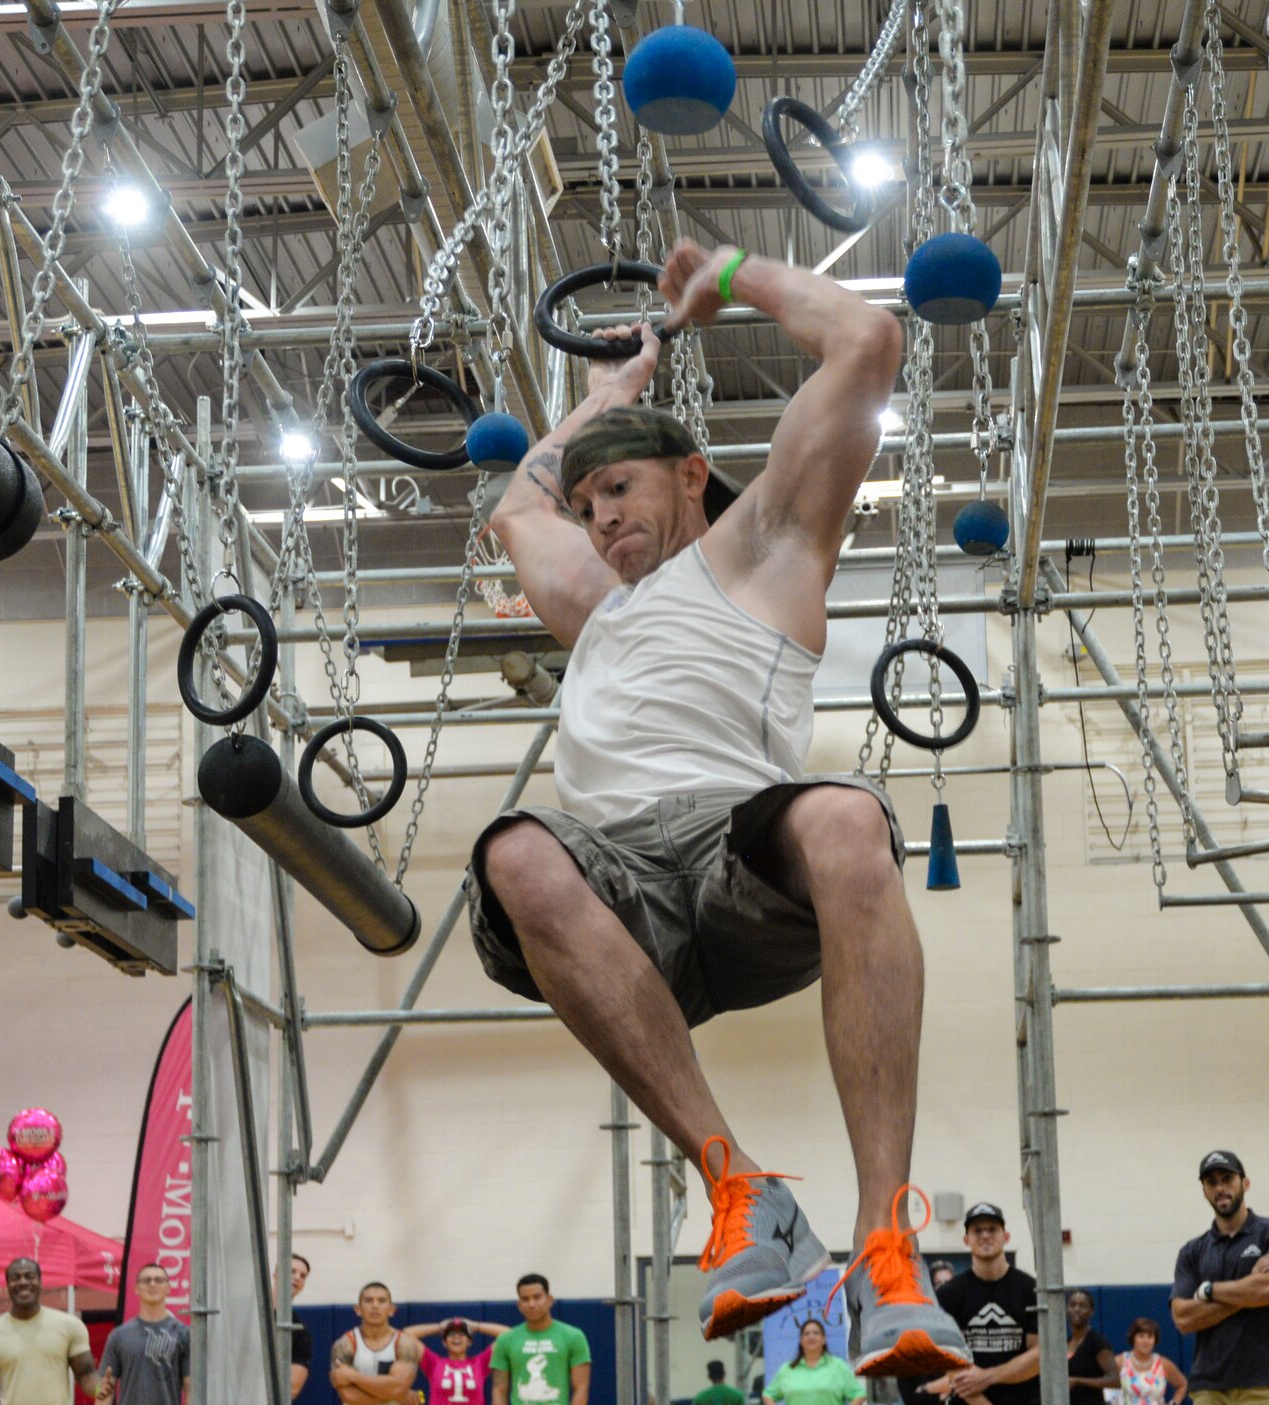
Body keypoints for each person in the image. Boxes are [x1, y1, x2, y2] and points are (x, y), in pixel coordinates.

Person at [473, 238, 967, 1374]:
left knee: (845, 816)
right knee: (514, 851)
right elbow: (514, 507)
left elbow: (865, 341)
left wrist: (729, 281)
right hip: (622, 903)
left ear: (691, 475)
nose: (597, 517)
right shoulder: (593, 605)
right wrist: (604, 396)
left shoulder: (763, 551)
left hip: (737, 868)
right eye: (589, 500)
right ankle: (736, 1186)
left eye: (621, 487)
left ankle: (886, 1236)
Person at [1171, 1151, 1269, 1405]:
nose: (1220, 1188)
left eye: (1227, 1178)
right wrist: (1249, 1289)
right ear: (1204, 1191)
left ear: (1245, 1183)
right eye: (1211, 1182)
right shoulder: (1192, 1251)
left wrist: (1207, 1291)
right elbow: (1183, 1318)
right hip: (1210, 1387)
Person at [913, 1202, 1039, 1405]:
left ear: (1006, 1237)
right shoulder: (949, 1294)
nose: (985, 1235)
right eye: (977, 1230)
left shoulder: (1030, 1289)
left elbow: (1039, 1356)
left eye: (992, 1229)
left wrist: (989, 1376)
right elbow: (952, 1362)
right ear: (966, 1240)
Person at [0, 1257, 110, 1405]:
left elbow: (86, 1375)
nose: (23, 1282)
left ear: (40, 1283)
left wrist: (100, 1387)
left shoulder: (70, 1326)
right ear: (7, 1286)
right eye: (15, 1278)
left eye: (30, 1276)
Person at [490, 1275, 591, 1405]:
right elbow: (499, 1390)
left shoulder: (574, 1336)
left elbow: (581, 1389)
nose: (531, 1304)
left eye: (537, 1297)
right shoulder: (505, 1340)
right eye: (525, 1299)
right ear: (519, 1305)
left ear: (549, 1300)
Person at [98, 1264, 190, 1405]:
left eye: (159, 1280)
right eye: (146, 1280)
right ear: (136, 1289)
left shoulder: (183, 1334)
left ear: (168, 1289)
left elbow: (191, 1389)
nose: (152, 1284)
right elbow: (104, 1391)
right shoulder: (118, 1336)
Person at [330, 1283, 422, 1405]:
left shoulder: (405, 1344)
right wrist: (394, 1395)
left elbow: (398, 1387)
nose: (375, 1306)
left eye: (382, 1301)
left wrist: (353, 1376)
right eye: (368, 1300)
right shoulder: (344, 1344)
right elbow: (348, 1395)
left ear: (391, 1310)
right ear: (358, 1309)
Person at [401, 1317, 509, 1405]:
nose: (456, 1338)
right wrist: (440, 1327)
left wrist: (476, 1326)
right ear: (444, 1342)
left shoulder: (480, 1363)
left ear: (469, 1341)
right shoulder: (434, 1363)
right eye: (451, 1334)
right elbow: (405, 1335)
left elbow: (509, 1335)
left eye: (462, 1334)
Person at [764, 1320, 865, 1405]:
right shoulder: (788, 1369)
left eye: (816, 1333)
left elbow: (859, 1394)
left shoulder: (838, 1366)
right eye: (806, 1334)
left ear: (824, 1339)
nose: (811, 1337)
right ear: (801, 1340)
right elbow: (768, 1395)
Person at [1066, 1290, 1117, 1405]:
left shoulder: (1097, 1342)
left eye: (1082, 1306)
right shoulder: (1065, 1343)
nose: (1077, 1309)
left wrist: (1078, 1381)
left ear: (1091, 1312)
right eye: (1073, 1305)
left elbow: (1114, 1380)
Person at [1118, 1320, 1187, 1405]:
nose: (1145, 1341)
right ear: (1133, 1338)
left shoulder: (1163, 1364)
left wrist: (1173, 1403)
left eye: (1150, 1337)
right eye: (1141, 1336)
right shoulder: (1121, 1362)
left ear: (1155, 1340)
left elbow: (1182, 1385)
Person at [288, 1253, 312, 1397]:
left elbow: (292, 1389)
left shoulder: (300, 1333)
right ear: (276, 1274)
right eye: (292, 1271)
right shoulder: (250, 1316)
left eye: (303, 1275)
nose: (297, 1277)